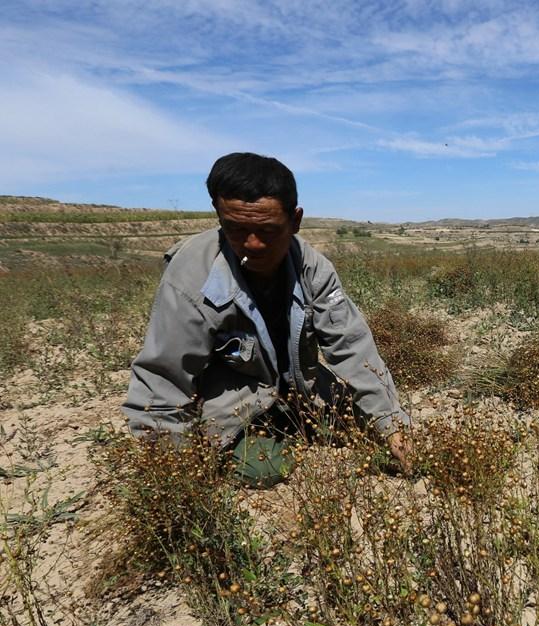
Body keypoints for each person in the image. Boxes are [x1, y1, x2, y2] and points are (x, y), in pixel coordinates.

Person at [123, 152, 410, 487]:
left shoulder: (313, 269)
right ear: (219, 216)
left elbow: (352, 346)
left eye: (268, 230)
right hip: (232, 399)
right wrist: (174, 474)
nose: (253, 244)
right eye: (236, 229)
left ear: (296, 220)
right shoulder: (190, 279)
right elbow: (162, 381)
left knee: (363, 425)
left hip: (299, 387)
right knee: (261, 468)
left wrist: (394, 426)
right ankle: (267, 432)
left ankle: (291, 423)